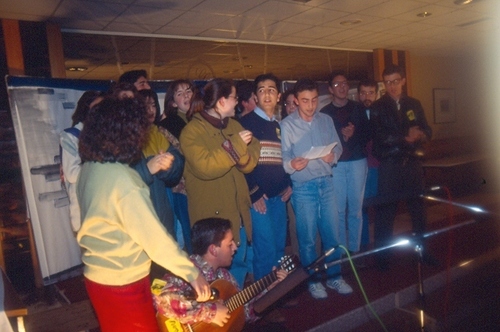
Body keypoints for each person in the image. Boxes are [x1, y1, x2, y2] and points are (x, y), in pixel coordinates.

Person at [76, 97, 210, 331]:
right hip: (122, 281)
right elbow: (154, 240)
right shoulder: (124, 181)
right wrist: (192, 273)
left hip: (96, 277)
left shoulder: (89, 169)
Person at [180, 78, 260, 288]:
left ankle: (239, 313)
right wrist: (236, 146)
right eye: (234, 98)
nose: (237, 102)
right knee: (215, 277)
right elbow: (207, 167)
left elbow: (252, 156)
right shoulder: (192, 132)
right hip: (212, 221)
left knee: (239, 265)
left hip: (237, 214)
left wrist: (239, 153)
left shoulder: (234, 125)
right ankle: (220, 316)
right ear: (222, 101)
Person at [281, 78, 352, 299]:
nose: (311, 105)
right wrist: (291, 164)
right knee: (308, 238)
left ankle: (334, 277)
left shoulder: (326, 120)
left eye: (314, 100)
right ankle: (312, 280)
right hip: (303, 187)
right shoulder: (286, 125)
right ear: (295, 101)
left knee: (332, 235)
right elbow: (282, 157)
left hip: (326, 183)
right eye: (305, 101)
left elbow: (338, 146)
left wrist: (334, 156)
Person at [154, 218, 288, 329]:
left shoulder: (225, 277)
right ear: (213, 250)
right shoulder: (187, 270)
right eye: (230, 244)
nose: (235, 248)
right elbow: (159, 298)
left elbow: (244, 314)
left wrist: (269, 290)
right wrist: (210, 312)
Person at [370, 64, 432, 269]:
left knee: (418, 211)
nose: (392, 86)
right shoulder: (378, 107)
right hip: (390, 165)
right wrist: (406, 138)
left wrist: (421, 134)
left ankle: (422, 252)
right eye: (387, 82)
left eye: (396, 81)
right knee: (385, 213)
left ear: (403, 80)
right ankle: (382, 258)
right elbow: (380, 137)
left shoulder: (414, 103)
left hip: (412, 163)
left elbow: (427, 130)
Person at [239, 73, 292, 281]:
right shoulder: (245, 123)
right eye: (262, 90)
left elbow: (281, 159)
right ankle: (262, 302)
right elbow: (240, 163)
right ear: (255, 96)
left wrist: (288, 184)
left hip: (279, 198)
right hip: (259, 199)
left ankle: (277, 292)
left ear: (278, 96)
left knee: (279, 248)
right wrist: (254, 193)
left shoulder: (278, 125)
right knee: (265, 250)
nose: (267, 94)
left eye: (271, 89)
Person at [320, 71, 370, 254]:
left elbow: (368, 135)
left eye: (344, 83)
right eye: (336, 84)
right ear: (330, 89)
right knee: (338, 210)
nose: (341, 87)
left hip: (357, 161)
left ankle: (355, 250)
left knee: (356, 210)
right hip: (337, 165)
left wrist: (353, 135)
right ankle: (341, 251)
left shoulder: (358, 108)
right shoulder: (325, 113)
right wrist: (342, 137)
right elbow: (324, 141)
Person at [133, 89, 184, 237]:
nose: (150, 110)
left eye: (153, 105)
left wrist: (167, 166)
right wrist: (148, 167)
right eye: (145, 106)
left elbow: (177, 162)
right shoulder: (126, 138)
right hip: (140, 211)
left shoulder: (158, 132)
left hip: (162, 203)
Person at [158, 79, 197, 253]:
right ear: (173, 102)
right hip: (184, 188)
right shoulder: (167, 126)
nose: (186, 96)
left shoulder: (204, 119)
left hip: (206, 185)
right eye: (180, 94)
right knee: (192, 236)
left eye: (188, 91)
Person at [59, 90, 103, 232]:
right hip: (85, 213)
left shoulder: (107, 134)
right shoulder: (70, 136)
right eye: (97, 107)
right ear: (86, 109)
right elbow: (72, 173)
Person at [357, 79, 380, 250]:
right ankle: (363, 245)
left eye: (370, 92)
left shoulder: (384, 112)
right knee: (361, 208)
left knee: (381, 207)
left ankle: (381, 245)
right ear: (358, 95)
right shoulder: (354, 113)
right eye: (363, 93)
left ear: (377, 94)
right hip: (360, 167)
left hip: (380, 167)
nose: (367, 96)